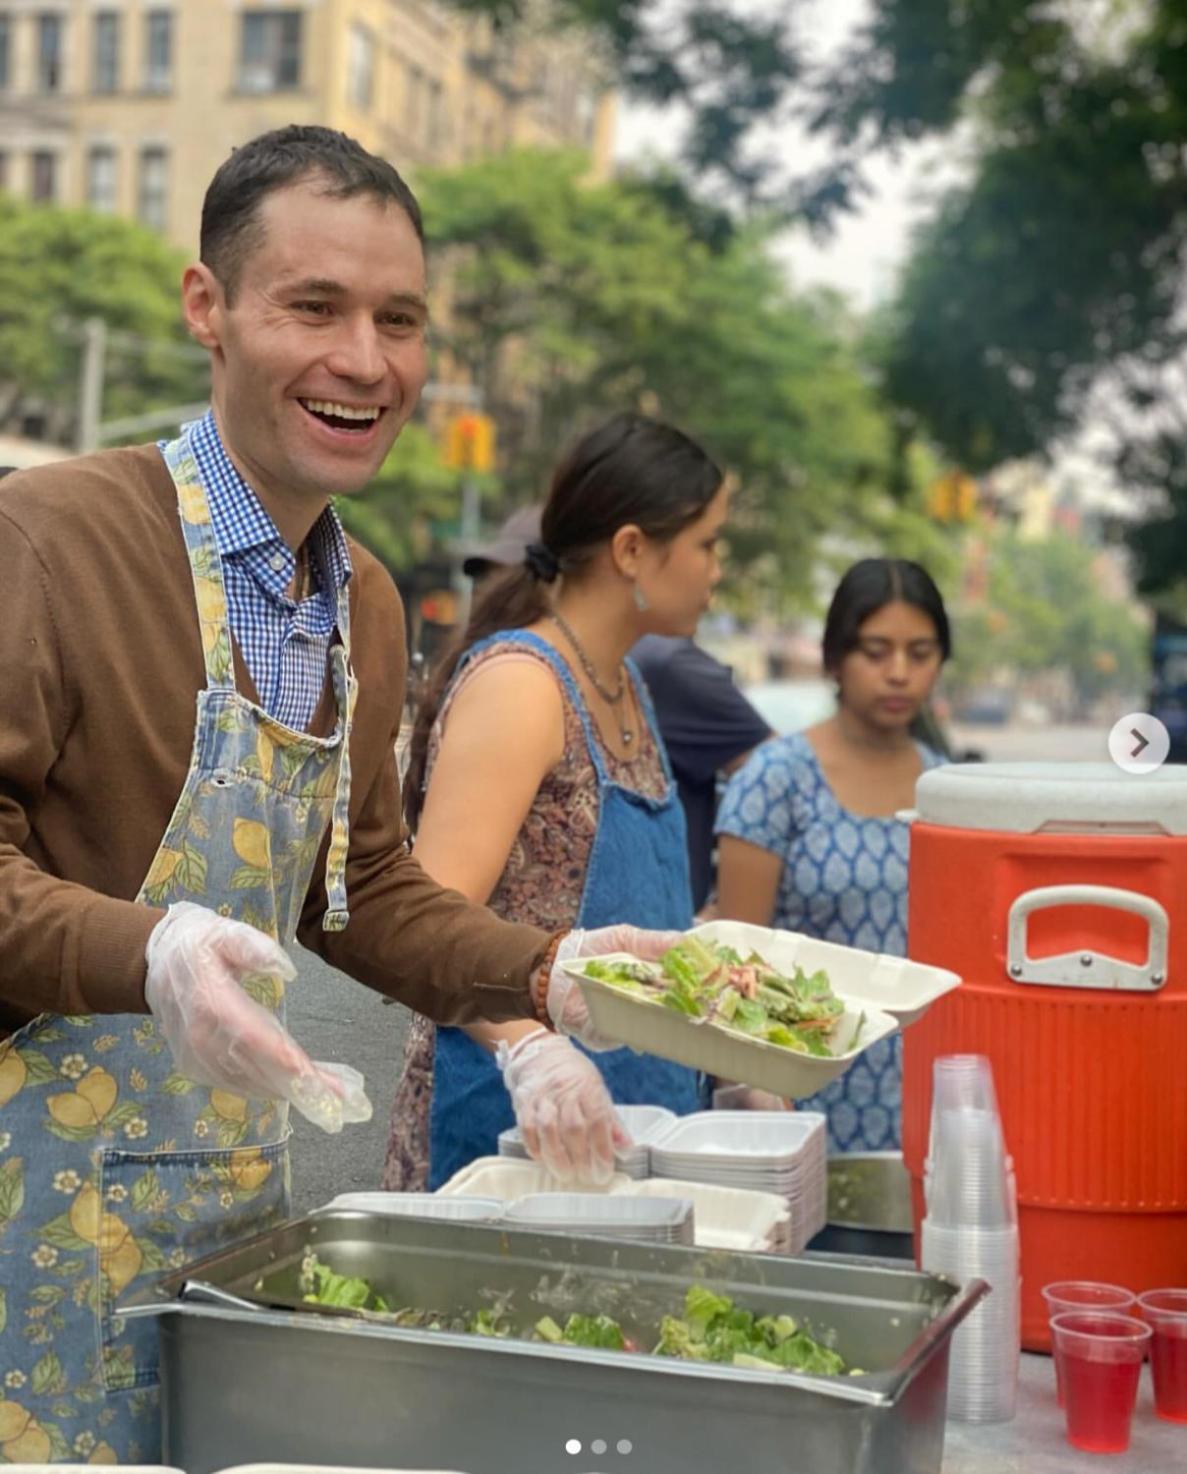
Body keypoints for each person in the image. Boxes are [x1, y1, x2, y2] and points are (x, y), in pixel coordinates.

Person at [0, 126, 657, 1462]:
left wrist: (542, 978)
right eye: (314, 306)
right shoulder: (49, 537)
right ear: (209, 309)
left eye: (397, 319)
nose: (365, 359)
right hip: (24, 1219)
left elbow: (360, 891)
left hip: (233, 1211)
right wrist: (156, 947)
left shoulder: (355, 597)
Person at [384, 414, 728, 1191]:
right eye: (707, 543)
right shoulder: (522, 686)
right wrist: (531, 1052)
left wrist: (731, 1052)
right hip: (507, 1124)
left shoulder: (625, 683)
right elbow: (423, 929)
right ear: (633, 549)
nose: (717, 569)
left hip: (634, 1126)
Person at [714, 558, 951, 1153]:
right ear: (835, 658)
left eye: (919, 653)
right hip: (797, 1101)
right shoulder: (777, 780)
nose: (899, 673)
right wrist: (756, 1092)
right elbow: (736, 961)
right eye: (876, 651)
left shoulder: (947, 790)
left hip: (925, 1101)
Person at [457, 505, 770, 912]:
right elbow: (445, 911)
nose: (714, 571)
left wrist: (722, 911)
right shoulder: (514, 677)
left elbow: (775, 776)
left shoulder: (642, 673)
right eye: (705, 546)